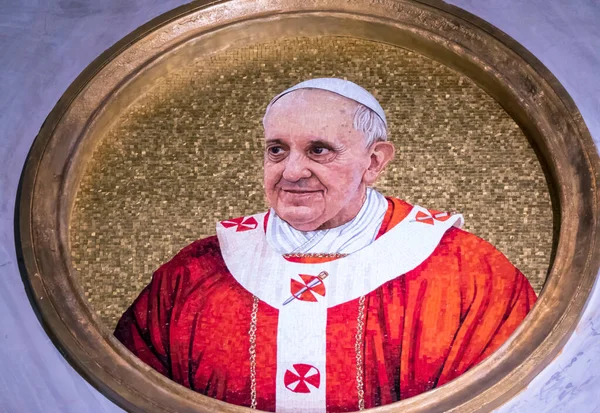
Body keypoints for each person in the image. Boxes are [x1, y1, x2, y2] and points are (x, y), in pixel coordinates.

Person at [114, 78, 536, 412]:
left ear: (374, 162)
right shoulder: (195, 272)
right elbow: (126, 393)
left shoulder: (468, 273)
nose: (293, 171)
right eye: (277, 150)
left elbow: (522, 396)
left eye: (319, 150)